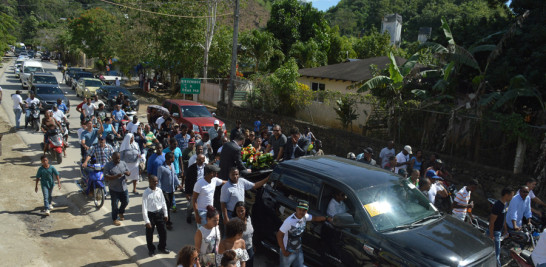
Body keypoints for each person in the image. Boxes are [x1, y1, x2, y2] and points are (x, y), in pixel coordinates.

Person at [277, 200, 331, 267]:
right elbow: (279, 235)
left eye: (304, 210)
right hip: (288, 249)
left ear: (307, 211)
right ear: (296, 209)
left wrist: (326, 218)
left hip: (297, 247)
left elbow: (315, 218)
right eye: (300, 209)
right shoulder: (289, 221)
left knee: (299, 264)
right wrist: (284, 250)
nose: (302, 212)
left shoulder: (305, 216)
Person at [142, 175, 169, 257]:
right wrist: (147, 221)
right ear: (149, 181)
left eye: (157, 181)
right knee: (150, 234)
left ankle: (162, 247)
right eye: (154, 181)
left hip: (159, 214)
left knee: (163, 232)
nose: (156, 183)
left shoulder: (159, 190)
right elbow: (144, 208)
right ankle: (151, 249)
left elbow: (163, 202)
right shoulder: (146, 193)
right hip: (151, 215)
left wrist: (165, 214)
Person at [487, 187, 514, 267]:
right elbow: (492, 222)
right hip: (494, 233)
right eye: (511, 195)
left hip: (499, 232)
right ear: (506, 195)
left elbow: (503, 218)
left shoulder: (505, 204)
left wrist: (505, 229)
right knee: (496, 255)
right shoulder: (498, 205)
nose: (512, 198)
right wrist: (491, 236)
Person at [104, 152, 131, 226]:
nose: (118, 160)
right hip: (114, 189)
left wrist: (128, 173)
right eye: (116, 159)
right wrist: (116, 176)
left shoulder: (123, 163)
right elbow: (106, 177)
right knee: (115, 205)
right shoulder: (108, 166)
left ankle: (121, 212)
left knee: (126, 201)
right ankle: (115, 219)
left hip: (123, 187)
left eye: (119, 158)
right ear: (112, 158)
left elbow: (128, 171)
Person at [157, 152, 181, 230]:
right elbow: (159, 180)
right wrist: (159, 190)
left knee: (169, 205)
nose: (174, 159)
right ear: (170, 159)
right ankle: (167, 223)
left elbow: (174, 176)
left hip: (171, 189)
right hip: (164, 190)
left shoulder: (172, 165)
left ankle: (164, 219)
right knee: (166, 206)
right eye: (173, 158)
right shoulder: (161, 168)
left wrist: (179, 184)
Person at [232, 202, 255, 267]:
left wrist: (253, 244)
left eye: (242, 211)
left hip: (249, 247)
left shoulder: (248, 218)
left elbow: (250, 233)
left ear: (246, 210)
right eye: (238, 211)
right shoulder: (234, 222)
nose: (240, 213)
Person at [185, 154, 207, 224]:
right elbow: (187, 181)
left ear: (204, 160)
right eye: (197, 159)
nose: (198, 161)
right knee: (191, 204)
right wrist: (187, 193)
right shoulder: (191, 168)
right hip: (193, 189)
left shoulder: (207, 168)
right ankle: (189, 215)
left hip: (203, 190)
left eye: (200, 160)